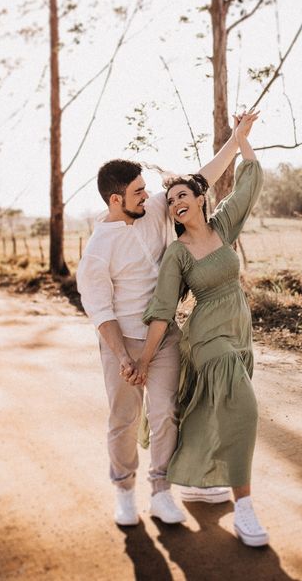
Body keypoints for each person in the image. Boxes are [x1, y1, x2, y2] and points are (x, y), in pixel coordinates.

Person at [76, 122, 250, 527]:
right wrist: (124, 358)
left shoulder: (153, 208)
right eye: (138, 191)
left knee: (166, 412)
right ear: (116, 199)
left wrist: (236, 138)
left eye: (145, 188)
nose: (148, 194)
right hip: (122, 342)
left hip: (164, 335)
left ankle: (160, 492)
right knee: (124, 419)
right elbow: (100, 311)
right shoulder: (98, 250)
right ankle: (123, 491)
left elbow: (204, 175)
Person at [123, 114, 269, 546]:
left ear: (201, 199)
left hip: (239, 332)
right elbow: (163, 311)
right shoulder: (177, 255)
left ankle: (200, 479)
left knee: (215, 406)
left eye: (182, 195)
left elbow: (249, 185)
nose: (175, 203)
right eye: (170, 201)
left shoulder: (223, 227)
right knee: (244, 408)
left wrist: (241, 140)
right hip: (208, 338)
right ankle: (245, 510)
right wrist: (144, 361)